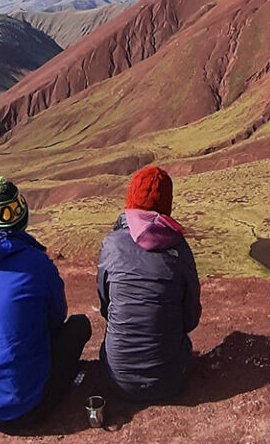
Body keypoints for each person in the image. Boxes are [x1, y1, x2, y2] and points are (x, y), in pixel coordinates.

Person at [0, 177, 90, 432]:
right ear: (23, 220)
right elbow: (57, 318)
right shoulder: (39, 264)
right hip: (26, 407)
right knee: (79, 326)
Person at [97, 165, 202, 402]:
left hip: (117, 379)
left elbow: (106, 307)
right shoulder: (180, 249)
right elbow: (190, 319)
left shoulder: (111, 245)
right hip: (171, 380)